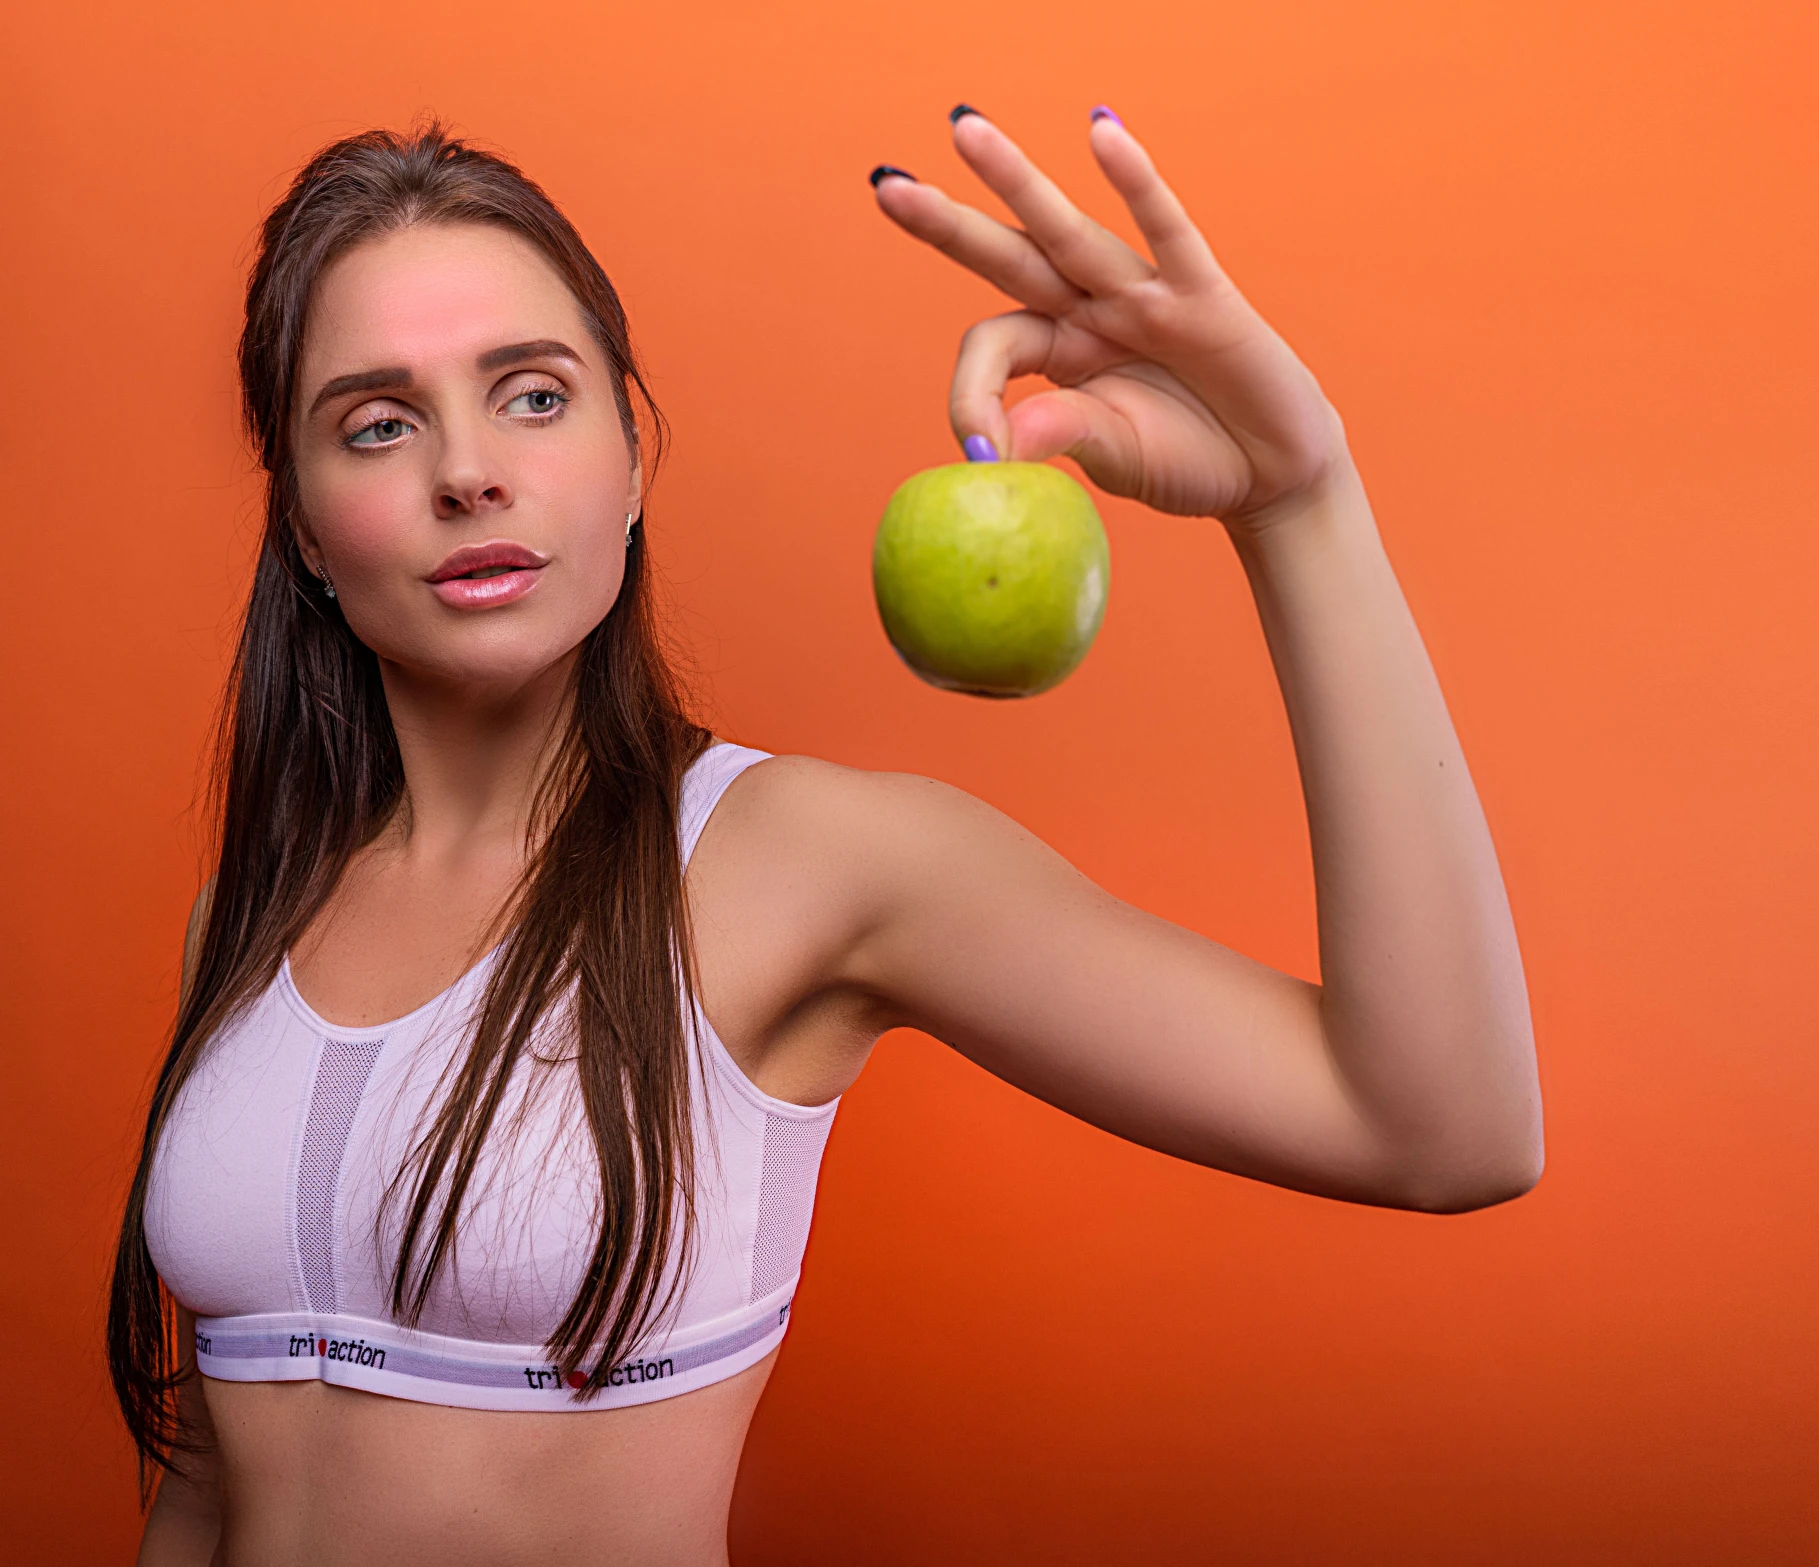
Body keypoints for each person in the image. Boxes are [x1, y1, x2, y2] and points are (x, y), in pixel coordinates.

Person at [113, 108, 1542, 1564]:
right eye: (377, 422)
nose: (468, 469)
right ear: (301, 524)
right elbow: (216, 1490)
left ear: (629, 452)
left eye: (533, 396)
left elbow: (1438, 1125)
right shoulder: (250, 917)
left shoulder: (794, 863)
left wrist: (1301, 500)